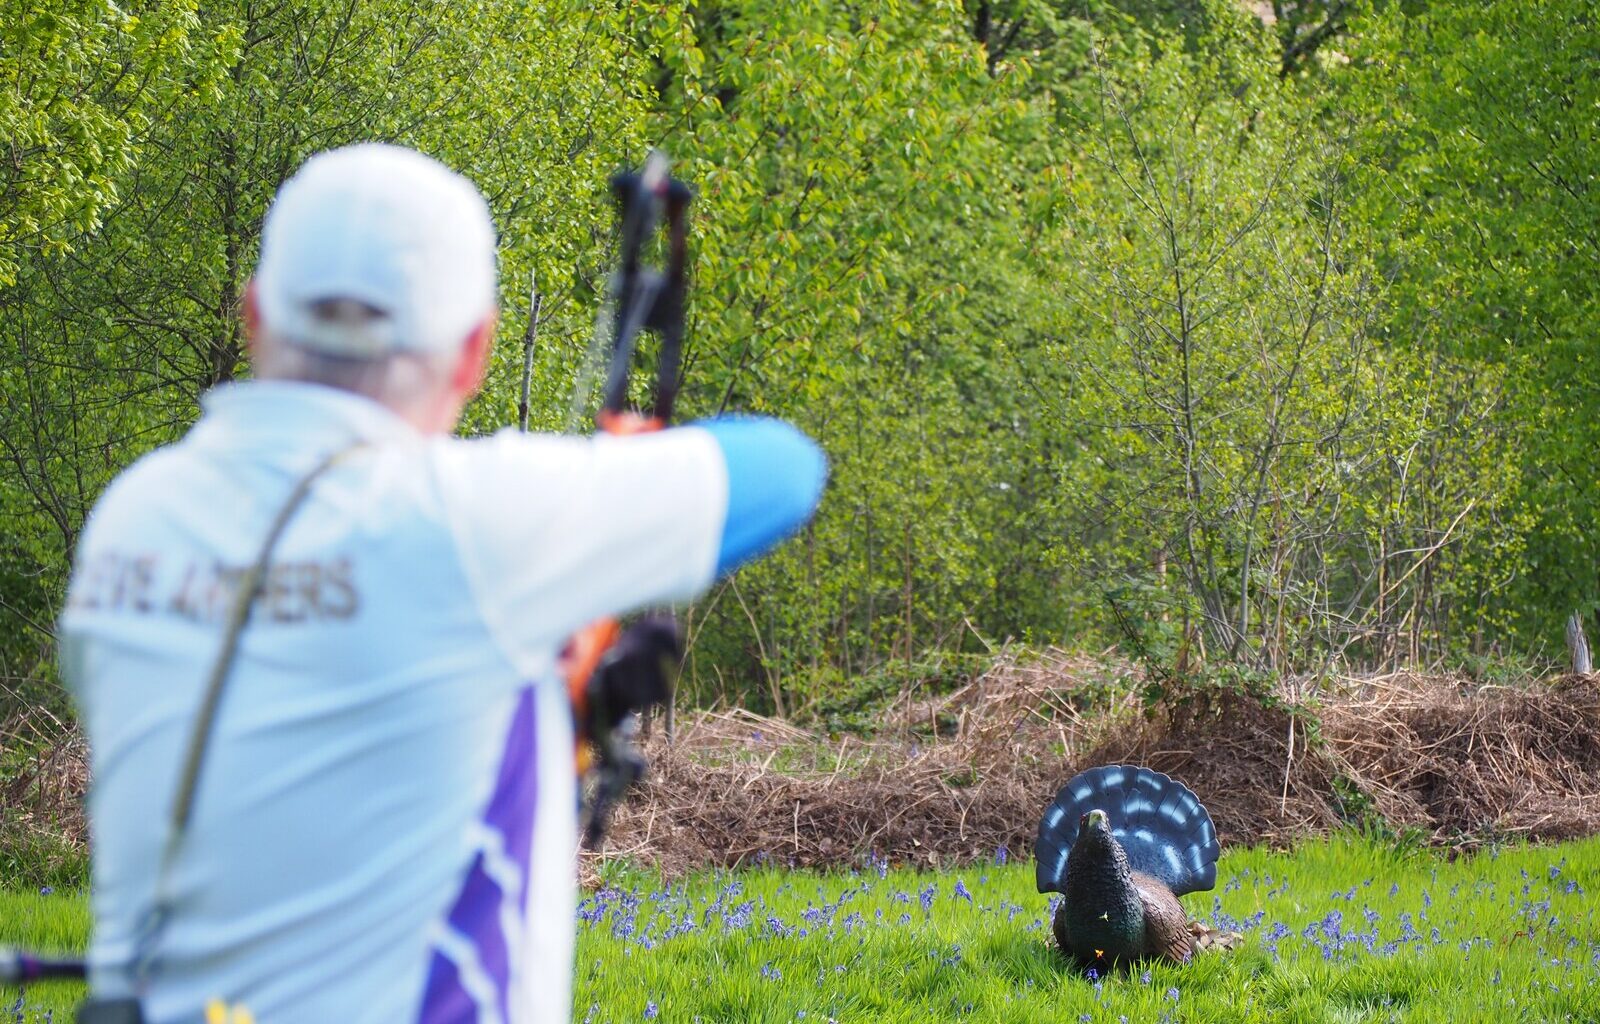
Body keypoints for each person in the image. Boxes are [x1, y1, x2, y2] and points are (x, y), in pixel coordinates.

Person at [58, 143, 826, 1023]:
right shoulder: (465, 527)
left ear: (254, 316)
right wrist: (603, 490)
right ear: (473, 351)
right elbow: (786, 469)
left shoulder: (134, 517)